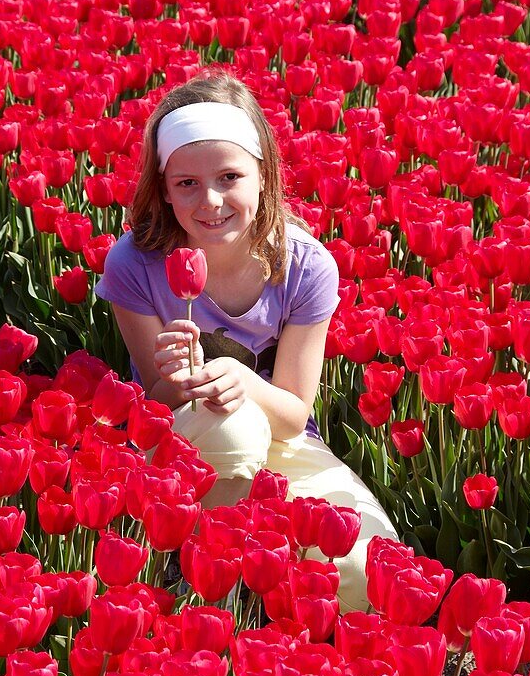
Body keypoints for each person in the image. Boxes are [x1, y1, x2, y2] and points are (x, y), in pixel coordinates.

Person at [96, 72, 398, 611]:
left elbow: (292, 413)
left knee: (365, 567)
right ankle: (201, 580)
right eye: (186, 182)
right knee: (229, 426)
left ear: (264, 176)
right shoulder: (134, 265)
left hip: (283, 443)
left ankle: (254, 594)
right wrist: (174, 381)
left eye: (229, 176)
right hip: (181, 448)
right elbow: (153, 410)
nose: (210, 201)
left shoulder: (306, 267)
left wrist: (244, 382)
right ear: (163, 188)